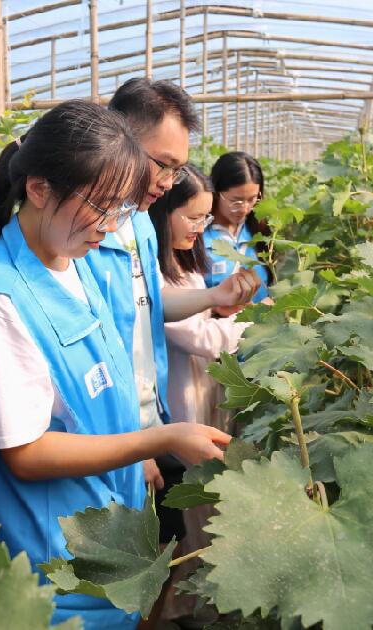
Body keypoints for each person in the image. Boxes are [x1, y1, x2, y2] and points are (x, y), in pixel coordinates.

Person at [0, 101, 233, 630]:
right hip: (56, 571)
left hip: (107, 540)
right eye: (101, 207)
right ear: (39, 189)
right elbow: (25, 453)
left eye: (121, 209)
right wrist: (157, 439)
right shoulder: (1, 302)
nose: (110, 226)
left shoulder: (76, 262)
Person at [85, 77, 260, 498]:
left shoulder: (139, 224)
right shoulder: (83, 236)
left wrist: (213, 297)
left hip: (151, 420)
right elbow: (97, 355)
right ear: (118, 141)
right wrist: (134, 444)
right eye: (162, 164)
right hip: (113, 436)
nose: (168, 181)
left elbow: (148, 304)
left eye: (178, 168)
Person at [149, 164, 250, 434]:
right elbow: (201, 339)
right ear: (162, 212)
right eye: (193, 218)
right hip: (180, 400)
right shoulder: (154, 275)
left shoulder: (182, 259)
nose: (201, 229)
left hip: (202, 389)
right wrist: (251, 319)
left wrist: (216, 309)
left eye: (205, 218)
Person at [203, 151, 272, 303]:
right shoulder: (198, 237)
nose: (245, 208)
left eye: (252, 199)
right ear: (216, 192)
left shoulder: (259, 232)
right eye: (236, 201)